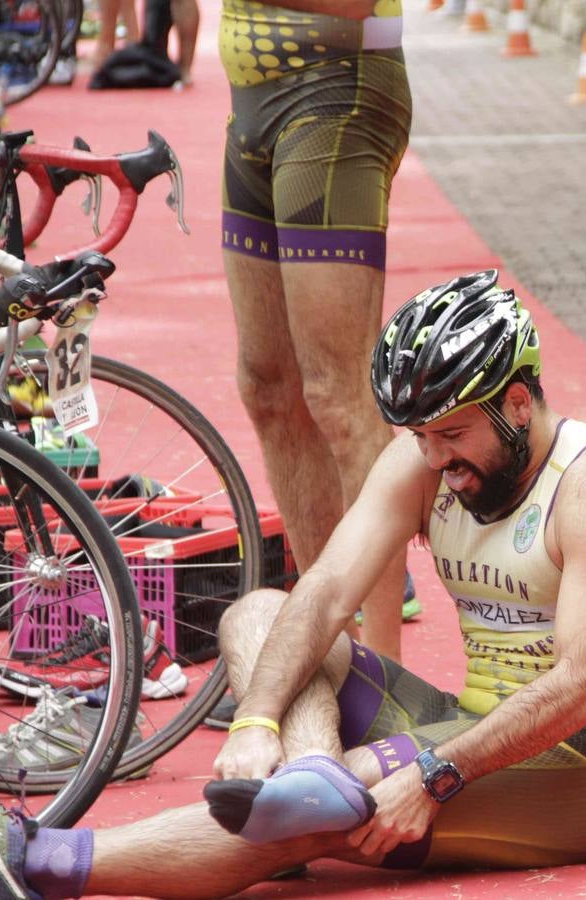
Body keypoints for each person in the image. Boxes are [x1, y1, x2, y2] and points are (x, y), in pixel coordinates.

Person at [0, 271, 586, 898]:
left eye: (453, 435)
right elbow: (328, 590)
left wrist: (435, 775)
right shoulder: (423, 461)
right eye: (420, 435)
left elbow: (584, 684)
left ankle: (31, 862)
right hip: (466, 721)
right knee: (258, 613)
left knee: (338, 801)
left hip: (583, 759)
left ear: (518, 404)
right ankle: (312, 772)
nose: (435, 458)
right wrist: (258, 721)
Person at [219, 0, 417, 660]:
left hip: (336, 90)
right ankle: (331, 656)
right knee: (267, 387)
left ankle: (384, 676)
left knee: (339, 392)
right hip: (250, 103)